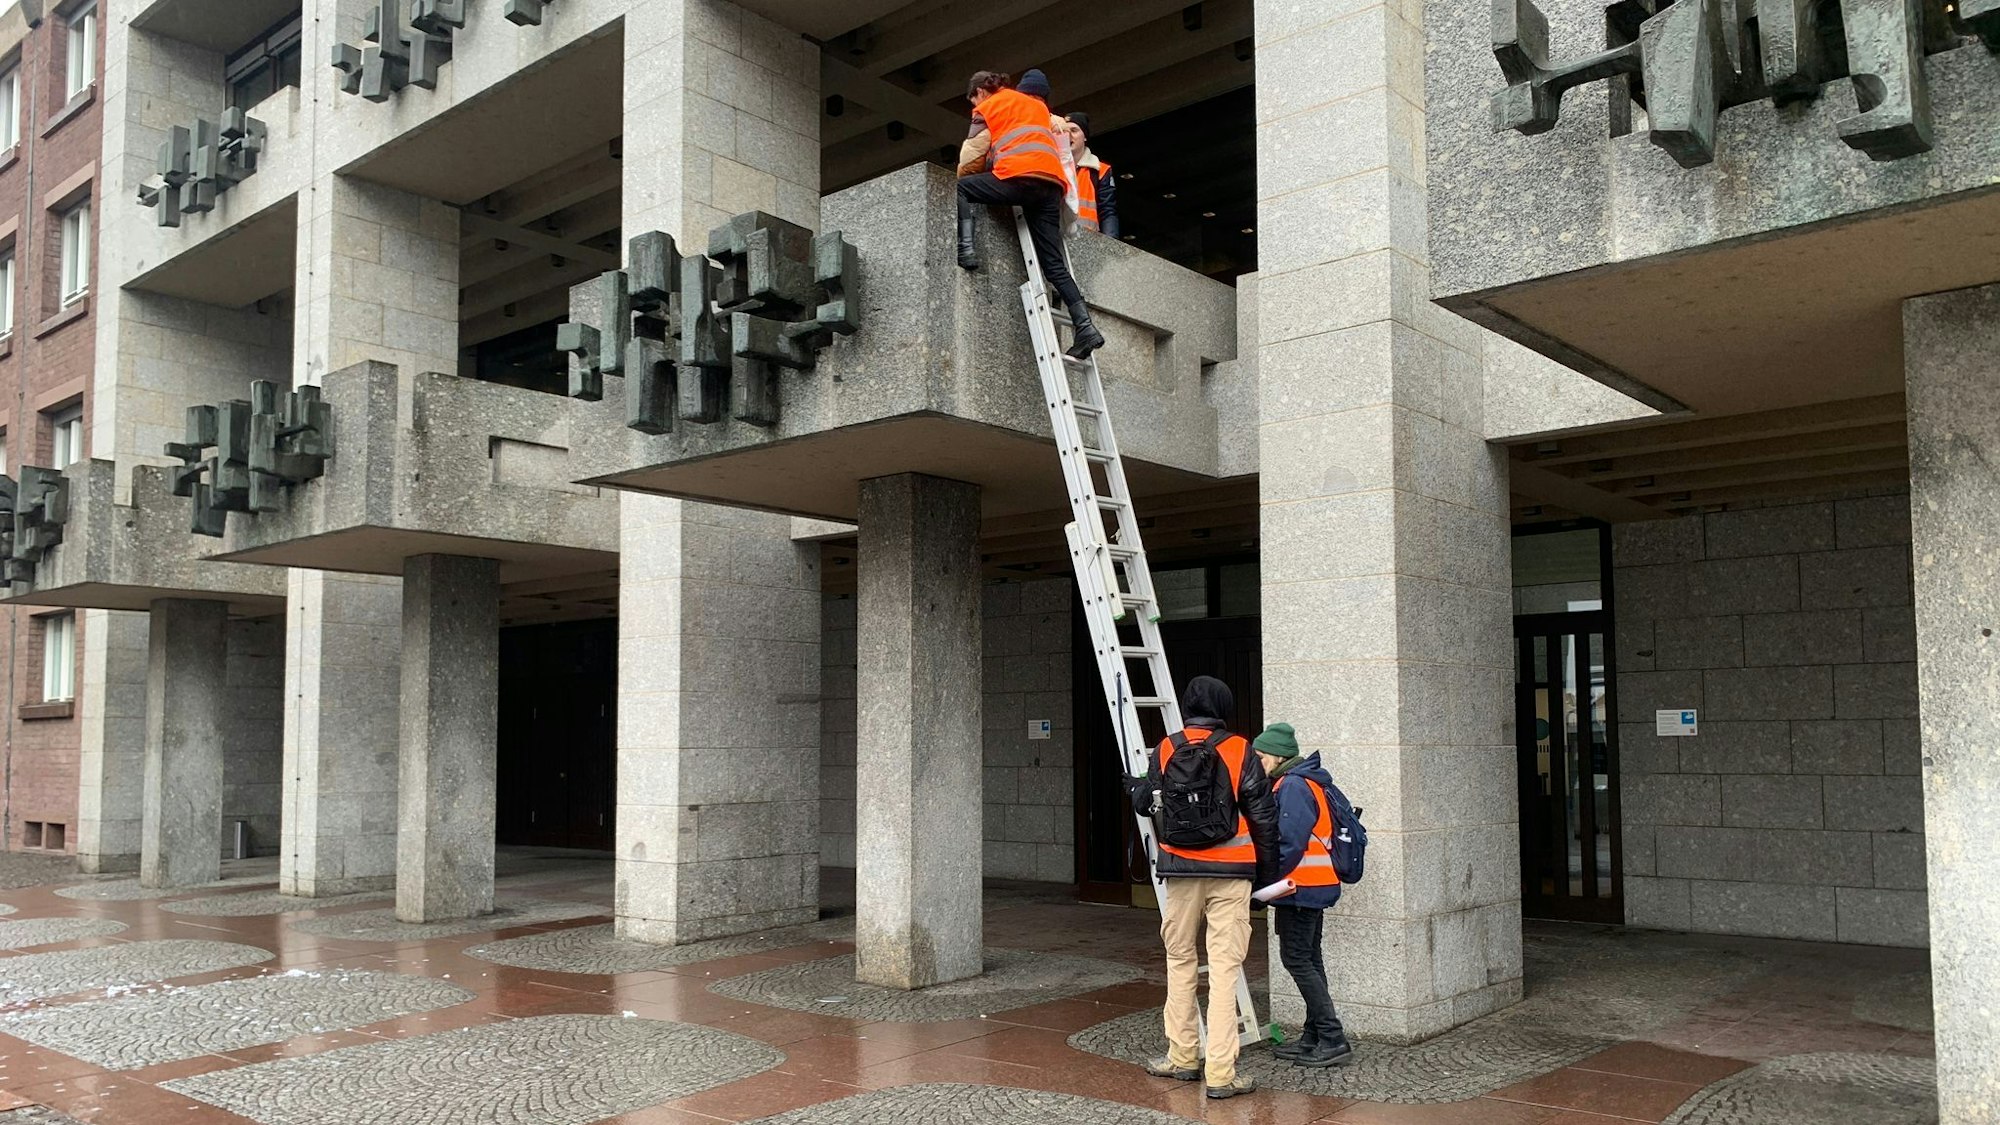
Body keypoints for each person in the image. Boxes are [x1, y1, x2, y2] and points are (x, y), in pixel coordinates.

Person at [1128, 675, 1279, 1100]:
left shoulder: (1166, 746)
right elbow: (1262, 816)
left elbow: (1145, 803)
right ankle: (1221, 1072)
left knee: (1179, 962)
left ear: (1188, 706)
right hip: (1231, 873)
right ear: (1223, 707)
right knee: (1225, 970)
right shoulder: (1239, 749)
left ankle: (1181, 1056)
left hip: (1180, 872)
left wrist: (1137, 786)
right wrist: (1265, 877)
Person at [954, 69, 1105, 359]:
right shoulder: (1037, 106)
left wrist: (974, 175)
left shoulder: (988, 107)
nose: (973, 106)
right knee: (1054, 265)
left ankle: (967, 250)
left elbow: (971, 157)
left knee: (963, 187)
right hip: (1049, 187)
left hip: (1018, 179)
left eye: (973, 100)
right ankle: (1085, 328)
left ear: (980, 92)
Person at [1251, 722, 1355, 1068]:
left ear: (1278, 756)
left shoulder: (1293, 785)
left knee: (1297, 960)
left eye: (1260, 756)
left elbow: (1289, 844)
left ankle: (1332, 1037)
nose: (1257, 762)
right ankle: (1314, 1037)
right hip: (1311, 886)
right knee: (1309, 959)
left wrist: (1262, 885)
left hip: (1299, 887)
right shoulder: (1303, 780)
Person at [1061, 111, 1119, 238]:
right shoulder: (1053, 166)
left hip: (1088, 244)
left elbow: (1107, 211)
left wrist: (1110, 247)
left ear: (1085, 136)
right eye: (1064, 131)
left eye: (1074, 130)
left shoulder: (1099, 170)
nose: (1068, 135)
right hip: (1059, 240)